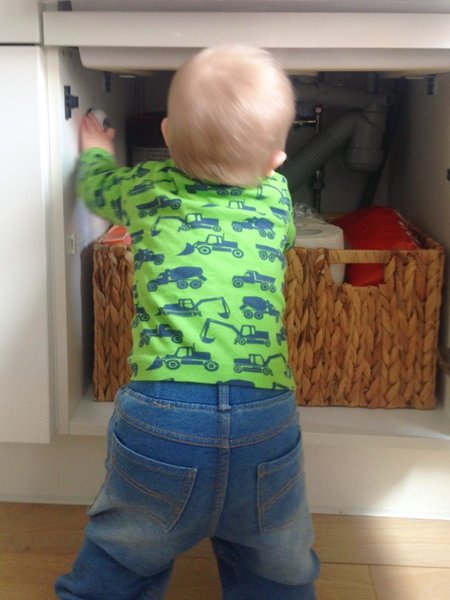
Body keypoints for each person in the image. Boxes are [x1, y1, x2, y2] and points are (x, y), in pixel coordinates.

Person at [55, 44, 320, 600]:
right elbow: (287, 238)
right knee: (275, 569)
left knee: (121, 557)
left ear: (167, 135)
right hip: (265, 421)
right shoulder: (276, 196)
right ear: (276, 159)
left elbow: (96, 189)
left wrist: (97, 153)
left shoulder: (145, 187)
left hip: (161, 419)